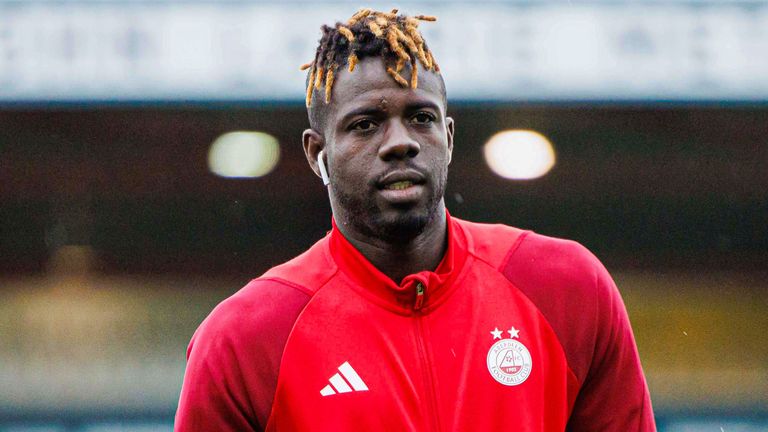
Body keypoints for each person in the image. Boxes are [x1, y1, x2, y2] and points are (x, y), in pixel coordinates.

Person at [175, 8, 656, 431]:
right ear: (316, 153)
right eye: (366, 124)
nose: (400, 142)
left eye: (421, 118)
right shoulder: (244, 340)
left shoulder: (565, 287)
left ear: (448, 137)